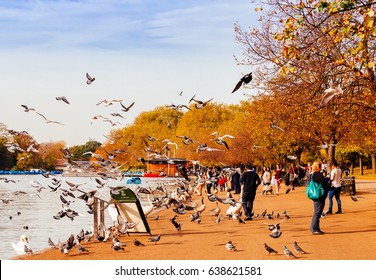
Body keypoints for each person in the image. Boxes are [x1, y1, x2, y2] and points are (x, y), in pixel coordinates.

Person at [309, 161, 330, 235]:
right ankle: (315, 229)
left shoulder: (313, 174)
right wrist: (327, 177)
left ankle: (313, 228)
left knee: (316, 212)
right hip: (319, 196)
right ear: (319, 167)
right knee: (318, 212)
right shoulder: (317, 174)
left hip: (316, 196)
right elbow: (324, 182)